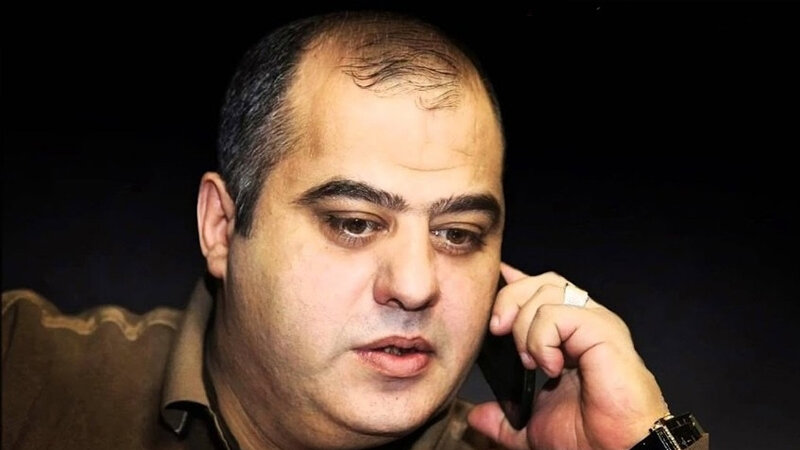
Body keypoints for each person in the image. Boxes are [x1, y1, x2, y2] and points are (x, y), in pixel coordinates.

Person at [2, 10, 707, 449]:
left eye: (458, 234)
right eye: (355, 223)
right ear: (221, 227)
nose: (416, 285)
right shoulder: (22, 378)